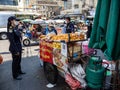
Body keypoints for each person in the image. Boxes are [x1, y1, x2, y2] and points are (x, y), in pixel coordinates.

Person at [7, 16, 25, 80]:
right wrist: (16, 50)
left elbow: (19, 34)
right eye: (15, 20)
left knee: (19, 60)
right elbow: (12, 40)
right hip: (14, 48)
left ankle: (19, 71)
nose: (16, 21)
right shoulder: (10, 28)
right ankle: (15, 75)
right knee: (15, 62)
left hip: (18, 46)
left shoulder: (15, 27)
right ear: (11, 21)